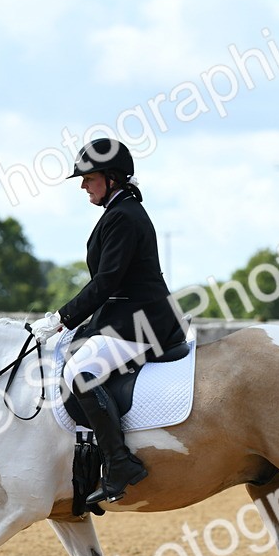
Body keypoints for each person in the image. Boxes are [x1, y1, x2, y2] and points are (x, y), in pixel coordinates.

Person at [31, 138, 184, 504]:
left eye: (89, 178)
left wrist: (62, 319)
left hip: (142, 323)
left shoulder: (123, 216)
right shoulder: (118, 212)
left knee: (81, 375)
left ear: (111, 178)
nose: (83, 185)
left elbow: (106, 282)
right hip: (125, 317)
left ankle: (120, 462)